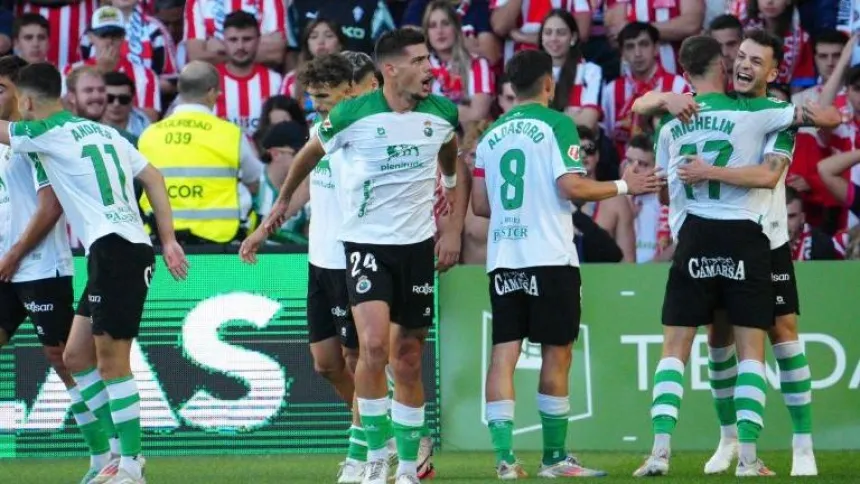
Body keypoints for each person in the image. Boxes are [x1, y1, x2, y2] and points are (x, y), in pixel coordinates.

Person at [254, 29, 462, 484]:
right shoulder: (351, 115)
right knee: (369, 348)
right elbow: (308, 155)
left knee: (407, 358)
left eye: (430, 60)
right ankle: (372, 456)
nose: (431, 69)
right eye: (421, 61)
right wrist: (281, 204)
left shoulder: (441, 113)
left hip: (416, 247)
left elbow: (451, 151)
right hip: (365, 246)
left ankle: (407, 467)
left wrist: (447, 189)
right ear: (391, 69)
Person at [633, 30, 841, 477]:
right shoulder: (738, 110)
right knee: (720, 340)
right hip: (732, 235)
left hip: (768, 239)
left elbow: (769, 176)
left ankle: (802, 444)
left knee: (783, 334)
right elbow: (645, 105)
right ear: (727, 65)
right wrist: (668, 96)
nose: (745, 65)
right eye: (740, 56)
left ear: (772, 70)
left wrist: (706, 168)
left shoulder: (774, 116)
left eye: (755, 60)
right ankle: (731, 441)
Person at [471, 49, 660, 480]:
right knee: (557, 355)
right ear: (548, 84)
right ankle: (554, 459)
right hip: (549, 258)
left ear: (510, 90)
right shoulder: (557, 124)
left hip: (504, 259)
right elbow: (572, 186)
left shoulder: (491, 135)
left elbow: (482, 205)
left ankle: (505, 460)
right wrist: (623, 185)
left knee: (503, 354)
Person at [0, 61, 188, 484]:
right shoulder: (106, 132)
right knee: (75, 356)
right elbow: (154, 177)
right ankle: (115, 459)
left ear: (26, 101)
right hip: (118, 248)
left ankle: (131, 465)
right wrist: (169, 238)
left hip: (116, 251)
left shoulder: (43, 131)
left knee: (112, 362)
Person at [0, 54, 99, 484]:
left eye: (1, 88)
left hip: (40, 266)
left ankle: (107, 454)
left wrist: (15, 253)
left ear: (21, 94)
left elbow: (51, 206)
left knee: (66, 361)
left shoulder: (36, 139)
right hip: (6, 268)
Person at [138, 61, 263, 245]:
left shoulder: (149, 135)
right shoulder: (231, 134)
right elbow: (256, 181)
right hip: (220, 240)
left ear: (179, 89)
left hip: (161, 239)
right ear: (211, 92)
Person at [214, 10, 283, 134]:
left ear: (258, 40)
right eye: (233, 40)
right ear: (223, 41)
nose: (240, 46)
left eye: (247, 39)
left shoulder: (275, 81)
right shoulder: (209, 80)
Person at [538, 9, 603, 131]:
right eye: (548, 33)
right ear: (541, 38)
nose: (553, 38)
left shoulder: (590, 71)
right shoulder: (530, 72)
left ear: (573, 37)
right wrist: (570, 116)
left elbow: (588, 122)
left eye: (561, 33)